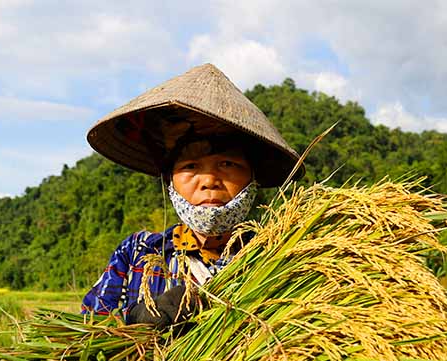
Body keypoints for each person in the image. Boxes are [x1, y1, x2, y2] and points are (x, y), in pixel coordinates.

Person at [81, 63, 303, 326]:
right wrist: (137, 318)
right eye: (190, 167)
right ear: (169, 180)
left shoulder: (275, 256)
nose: (209, 181)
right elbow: (90, 325)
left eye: (227, 165)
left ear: (252, 179)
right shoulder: (138, 252)